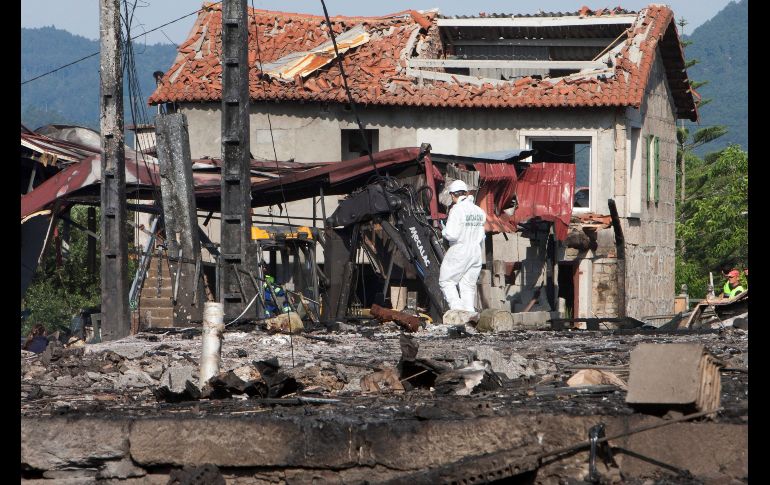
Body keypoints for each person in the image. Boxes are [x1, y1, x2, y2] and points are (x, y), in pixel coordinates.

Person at [439, 179, 487, 313]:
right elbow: (482, 234)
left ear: (453, 195)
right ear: (465, 193)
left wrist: (443, 230)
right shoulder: (479, 211)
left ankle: (458, 311)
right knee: (467, 286)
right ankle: (469, 314)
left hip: (460, 250)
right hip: (476, 252)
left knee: (446, 281)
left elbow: (452, 234)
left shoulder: (457, 210)